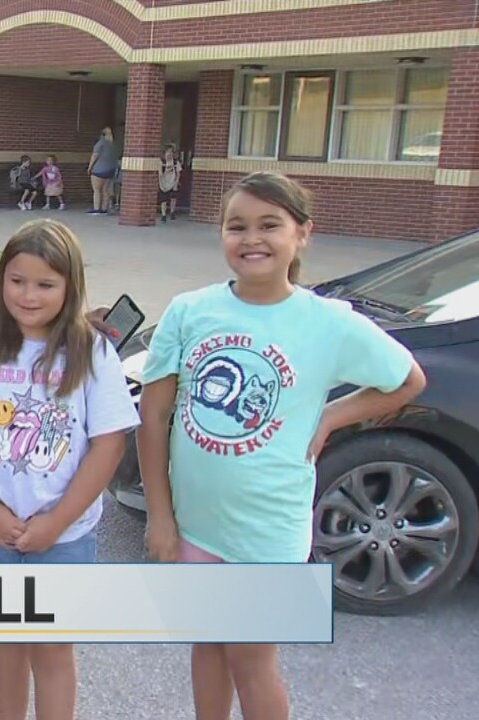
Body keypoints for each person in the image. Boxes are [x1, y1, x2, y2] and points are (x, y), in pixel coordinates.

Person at [135, 172, 427, 720]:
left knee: (250, 655)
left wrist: (333, 415)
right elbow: (153, 415)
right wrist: (160, 517)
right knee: (208, 642)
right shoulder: (189, 311)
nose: (252, 239)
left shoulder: (327, 322)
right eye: (236, 226)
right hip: (195, 525)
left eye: (270, 225)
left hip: (269, 530)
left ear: (303, 235)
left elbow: (406, 380)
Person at [0, 219, 138, 720]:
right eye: (17, 280)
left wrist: (57, 522)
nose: (28, 295)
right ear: (1, 280)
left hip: (65, 535)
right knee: (8, 642)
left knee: (50, 648)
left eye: (46, 284)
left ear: (69, 288)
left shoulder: (93, 352)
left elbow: (108, 446)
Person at [87, 127, 118, 215]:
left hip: (99, 169)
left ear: (102, 135)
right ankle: (104, 208)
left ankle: (97, 208)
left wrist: (90, 167)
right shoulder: (113, 144)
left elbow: (94, 156)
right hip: (110, 170)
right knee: (105, 190)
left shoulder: (100, 144)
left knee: (96, 190)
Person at [158, 145, 182, 222]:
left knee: (173, 199)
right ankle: (163, 215)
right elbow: (160, 174)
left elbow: (178, 173)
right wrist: (161, 184)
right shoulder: (161, 162)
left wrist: (176, 183)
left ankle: (172, 213)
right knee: (163, 200)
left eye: (171, 152)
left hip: (172, 183)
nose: (169, 154)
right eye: (168, 152)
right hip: (164, 183)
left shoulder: (175, 162)